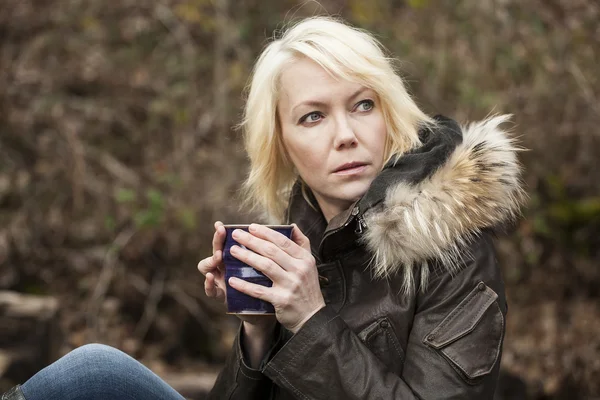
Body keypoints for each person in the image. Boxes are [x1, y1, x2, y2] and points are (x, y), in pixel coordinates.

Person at [2, 16, 525, 400]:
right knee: (94, 374)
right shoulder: (299, 241)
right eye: (313, 117)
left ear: (390, 115)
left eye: (363, 105)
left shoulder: (454, 248)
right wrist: (259, 332)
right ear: (282, 144)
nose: (346, 136)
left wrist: (311, 319)